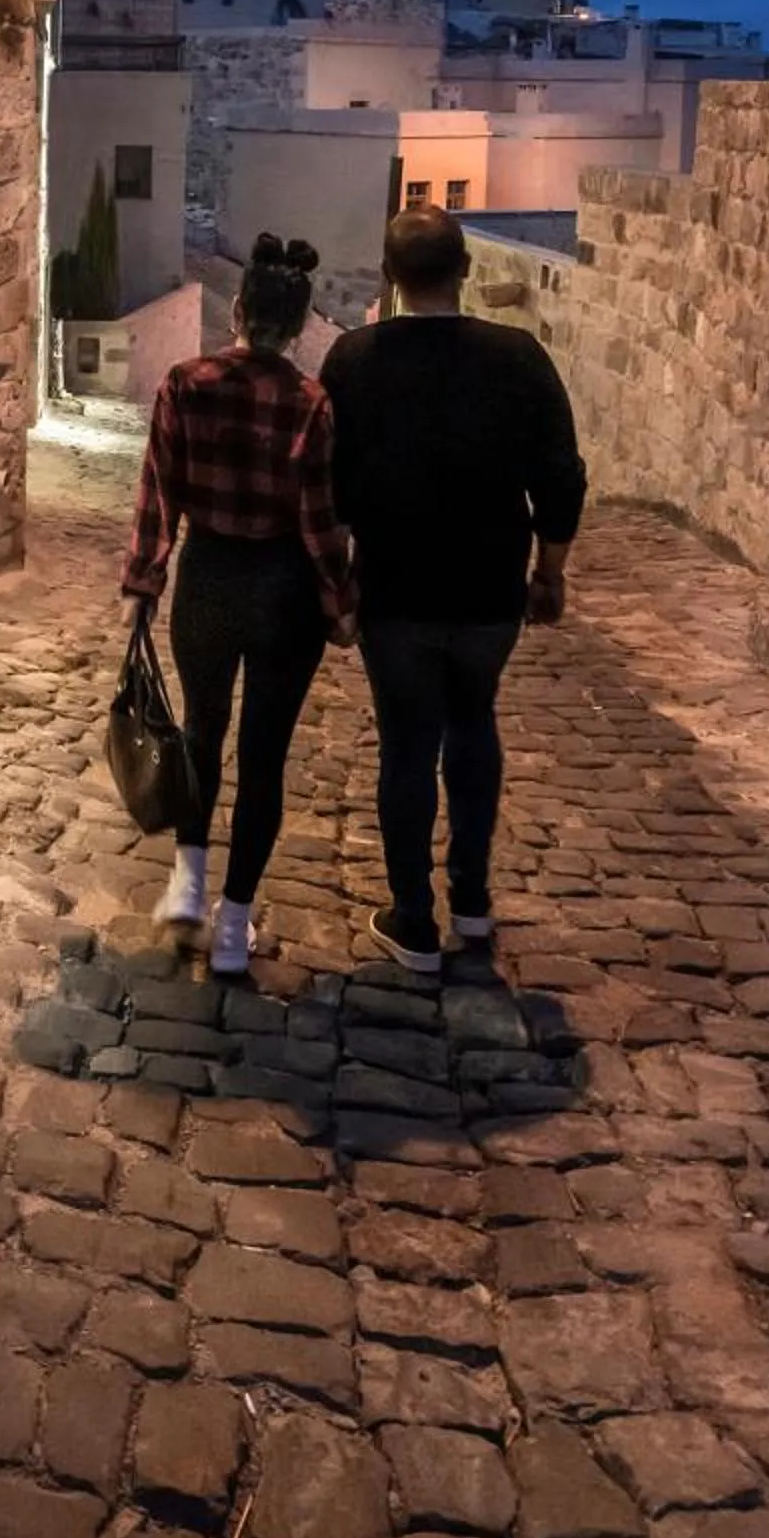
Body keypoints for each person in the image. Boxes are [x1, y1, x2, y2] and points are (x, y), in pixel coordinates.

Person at [321, 205, 586, 974]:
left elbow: (328, 487)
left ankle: (412, 917)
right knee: (474, 728)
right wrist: (550, 575)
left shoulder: (353, 360)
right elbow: (561, 478)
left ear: (390, 275)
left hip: (396, 593)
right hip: (487, 590)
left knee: (407, 746)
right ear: (466, 270)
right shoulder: (518, 357)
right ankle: (471, 903)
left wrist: (337, 577)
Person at [121, 234, 357, 975]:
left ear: (241, 312)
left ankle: (188, 890)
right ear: (301, 324)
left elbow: (158, 494)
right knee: (264, 758)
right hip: (284, 589)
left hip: (210, 578)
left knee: (201, 735)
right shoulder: (312, 404)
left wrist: (144, 585)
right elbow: (320, 523)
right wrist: (340, 602)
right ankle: (235, 926)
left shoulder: (185, 384)